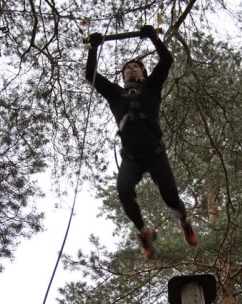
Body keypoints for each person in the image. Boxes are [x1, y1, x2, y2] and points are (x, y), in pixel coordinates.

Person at [85, 25, 197, 259]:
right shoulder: (115, 94)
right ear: (123, 75)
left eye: (135, 66)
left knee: (170, 196)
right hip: (131, 157)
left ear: (143, 73)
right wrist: (94, 48)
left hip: (156, 154)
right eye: (127, 68)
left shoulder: (152, 88)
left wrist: (154, 38)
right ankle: (144, 233)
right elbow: (90, 75)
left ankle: (184, 222)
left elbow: (166, 60)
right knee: (123, 190)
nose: (131, 69)